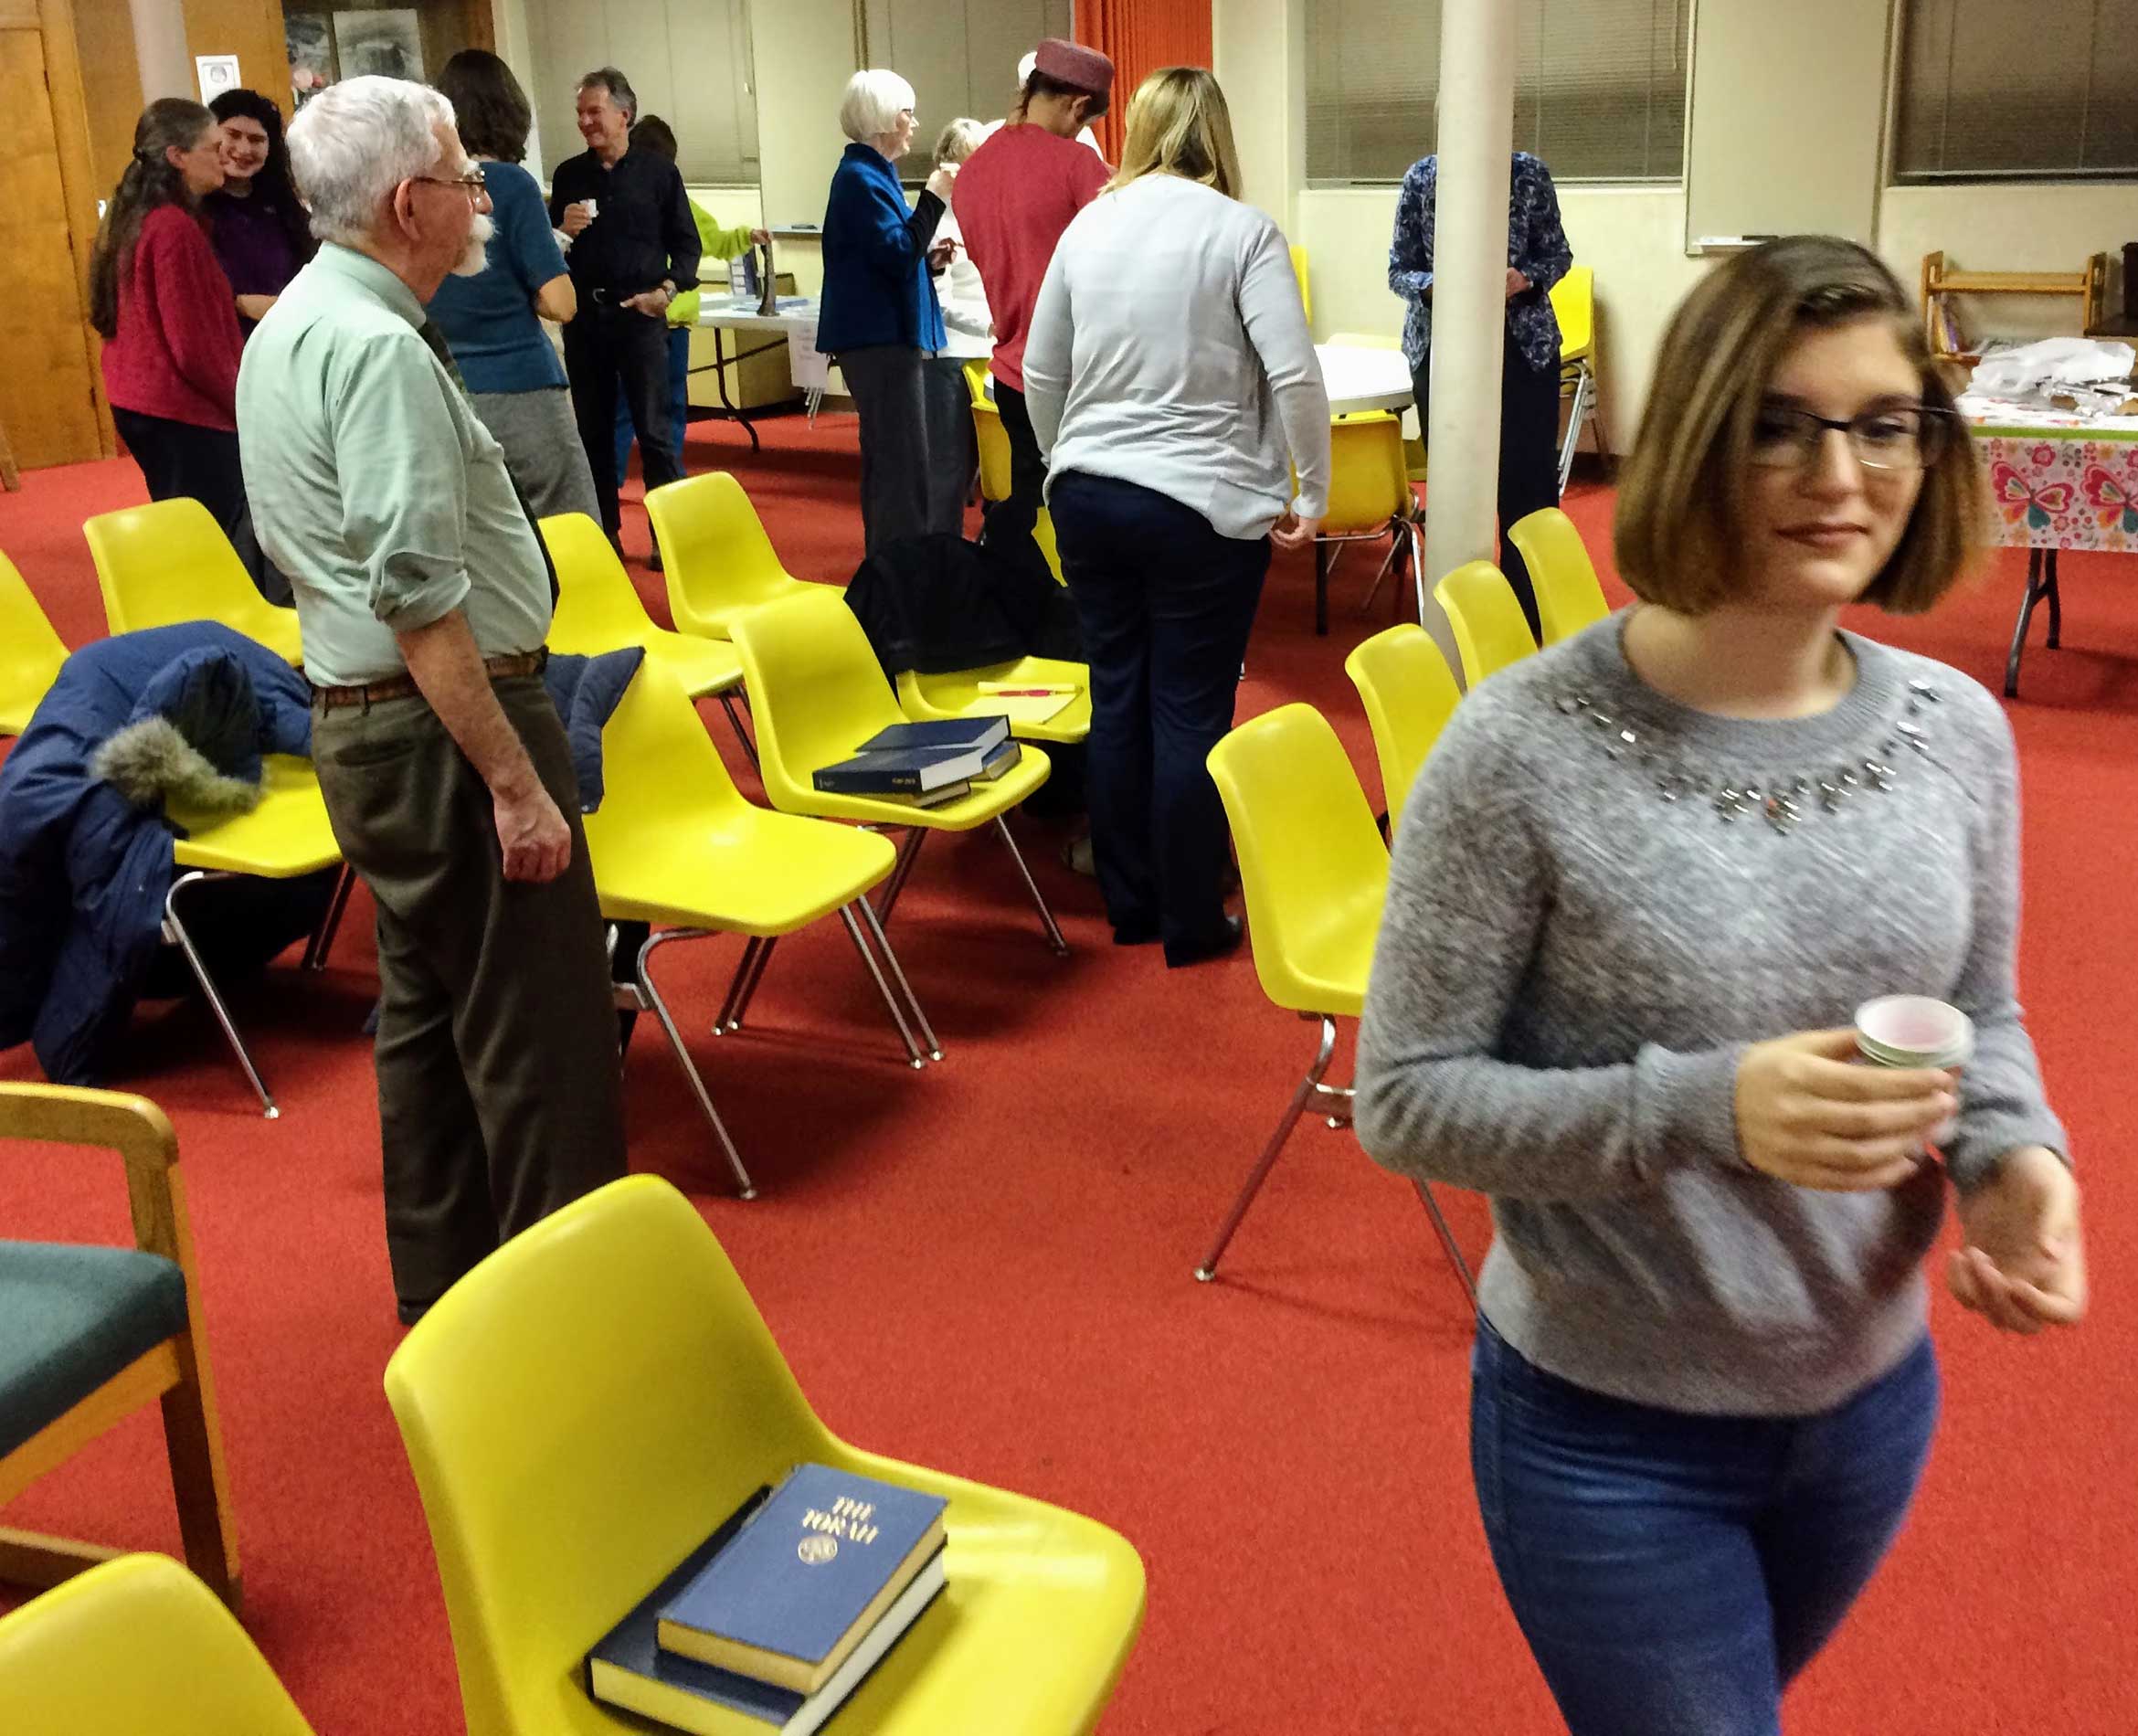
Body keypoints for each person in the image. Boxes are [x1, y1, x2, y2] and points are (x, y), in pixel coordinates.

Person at [1354, 236, 2087, 1736]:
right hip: (1607, 1437)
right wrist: (1706, 1108)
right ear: (1695, 435)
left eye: (1883, 425)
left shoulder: (1957, 732)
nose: (1841, 475)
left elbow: (1982, 1014)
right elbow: (1406, 1102)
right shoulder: (1520, 752)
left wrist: (2015, 1157)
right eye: (1779, 425)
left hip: (1871, 1402)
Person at [238, 75, 628, 1325]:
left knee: (425, 1032)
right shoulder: (375, 346)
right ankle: (572, 1335)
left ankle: (453, 1312)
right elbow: (417, 594)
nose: (482, 202)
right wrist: (514, 778)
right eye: (466, 180)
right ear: (411, 203)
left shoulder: (298, 321)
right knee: (543, 1044)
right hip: (449, 727)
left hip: (373, 725)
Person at [1023, 68, 1328, 967]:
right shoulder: (1242, 231)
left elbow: (1042, 372)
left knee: (1117, 695)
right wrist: (1312, 490)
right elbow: (1295, 375)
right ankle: (1192, 918)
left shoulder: (1090, 225)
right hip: (1201, 504)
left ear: (1138, 131)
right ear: (1219, 137)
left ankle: (1130, 901)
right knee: (1190, 709)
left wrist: (1063, 459)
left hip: (1089, 493)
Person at [90, 98, 281, 601]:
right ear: (178, 156)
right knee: (215, 541)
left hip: (144, 403)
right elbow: (194, 349)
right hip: (181, 412)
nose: (225, 157)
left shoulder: (141, 217)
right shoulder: (174, 227)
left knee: (188, 529)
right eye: (214, 147)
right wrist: (244, 408)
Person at [1387, 147, 1570, 637]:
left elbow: (1558, 255)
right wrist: (1440, 285)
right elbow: (1398, 270)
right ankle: (1456, 619)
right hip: (1441, 350)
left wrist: (1525, 278)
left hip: (1525, 349)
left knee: (1528, 487)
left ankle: (1528, 620)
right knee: (1455, 489)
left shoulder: (1530, 174)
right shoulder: (1422, 178)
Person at [954, 40, 1112, 561]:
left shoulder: (973, 172)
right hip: (1080, 376)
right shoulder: (1078, 165)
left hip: (1011, 374)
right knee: (1089, 524)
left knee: (1033, 508)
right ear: (1078, 105)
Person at [427, 48, 600, 525]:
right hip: (520, 384)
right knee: (567, 528)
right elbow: (561, 303)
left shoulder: (426, 187)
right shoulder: (509, 184)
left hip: (444, 388)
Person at [547, 67, 701, 566]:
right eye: (580, 113)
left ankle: (666, 539)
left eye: (594, 112)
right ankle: (605, 537)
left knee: (655, 433)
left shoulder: (659, 174)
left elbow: (688, 246)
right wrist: (561, 228)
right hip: (586, 320)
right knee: (592, 434)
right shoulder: (569, 176)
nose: (585, 122)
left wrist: (667, 291)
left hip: (641, 317)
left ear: (624, 114)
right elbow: (548, 252)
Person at [816, 69, 964, 555]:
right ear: (883, 119)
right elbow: (897, 253)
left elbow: (891, 254)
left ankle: (893, 569)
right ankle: (901, 575)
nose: (914, 124)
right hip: (878, 341)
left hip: (880, 338)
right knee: (902, 468)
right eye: (907, 113)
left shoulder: (872, 175)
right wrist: (934, 199)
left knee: (894, 465)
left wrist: (928, 260)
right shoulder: (861, 179)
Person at [609, 113, 768, 484]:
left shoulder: (685, 207)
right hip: (638, 322)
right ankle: (614, 477)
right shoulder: (623, 205)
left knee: (666, 405)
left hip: (674, 325)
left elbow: (715, 241)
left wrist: (746, 236)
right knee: (631, 405)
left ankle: (667, 476)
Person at [204, 88, 316, 332]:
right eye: (233, 135)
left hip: (290, 336)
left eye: (256, 140)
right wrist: (238, 304)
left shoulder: (286, 210)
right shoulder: (191, 208)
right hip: (225, 340)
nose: (244, 149)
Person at [925, 118, 991, 503]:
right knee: (950, 464)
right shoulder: (937, 220)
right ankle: (940, 536)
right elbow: (940, 302)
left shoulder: (985, 210)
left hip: (989, 350)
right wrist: (989, 326)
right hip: (950, 352)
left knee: (990, 465)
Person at [981, 49, 1106, 157]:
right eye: (1083, 124)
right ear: (1079, 106)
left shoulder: (986, 148)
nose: (1074, 136)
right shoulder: (1079, 157)